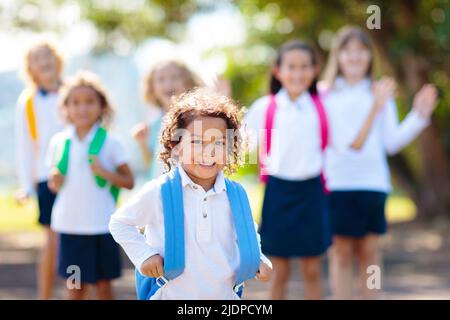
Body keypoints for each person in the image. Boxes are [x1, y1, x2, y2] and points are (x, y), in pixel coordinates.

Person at [110, 88, 272, 300]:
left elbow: (247, 233)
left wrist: (257, 257)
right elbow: (120, 223)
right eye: (196, 142)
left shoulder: (236, 194)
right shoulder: (160, 191)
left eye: (219, 142)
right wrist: (144, 255)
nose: (208, 151)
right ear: (175, 146)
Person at [322, 26, 438, 299]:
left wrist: (419, 116)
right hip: (336, 183)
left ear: (369, 56)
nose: (354, 57)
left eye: (361, 50)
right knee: (339, 251)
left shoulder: (379, 91)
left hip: (372, 183)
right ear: (338, 56)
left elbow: (391, 142)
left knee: (369, 252)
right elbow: (350, 143)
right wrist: (375, 106)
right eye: (347, 51)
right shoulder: (325, 94)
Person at [244, 40, 331, 300]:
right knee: (278, 271)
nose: (298, 73)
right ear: (278, 70)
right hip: (278, 192)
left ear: (315, 70)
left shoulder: (321, 105)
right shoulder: (265, 107)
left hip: (312, 192)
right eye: (291, 67)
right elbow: (242, 144)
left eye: (305, 67)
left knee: (312, 270)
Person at [47, 70, 134, 299]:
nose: (82, 108)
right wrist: (54, 180)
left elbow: (129, 181)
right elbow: (55, 185)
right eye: (75, 103)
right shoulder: (59, 142)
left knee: (103, 286)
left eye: (89, 102)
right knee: (75, 286)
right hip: (70, 227)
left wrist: (105, 172)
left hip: (102, 226)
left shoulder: (111, 142)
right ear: (66, 107)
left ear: (102, 106)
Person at [14, 40, 65, 299]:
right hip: (46, 179)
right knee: (52, 241)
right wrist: (26, 186)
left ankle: (76, 292)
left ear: (57, 60)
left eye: (48, 54)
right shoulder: (29, 101)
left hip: (78, 179)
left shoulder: (74, 93)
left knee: (76, 242)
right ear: (30, 68)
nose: (44, 60)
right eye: (37, 58)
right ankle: (44, 295)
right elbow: (25, 147)